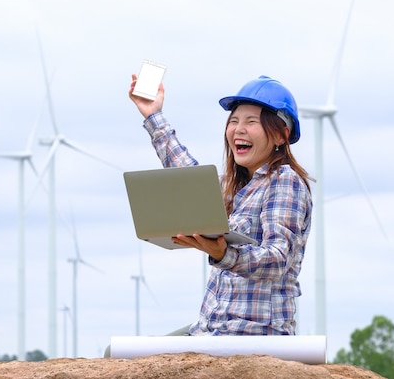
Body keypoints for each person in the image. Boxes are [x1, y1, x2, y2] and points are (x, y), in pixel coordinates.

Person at [128, 74, 313, 337]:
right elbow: (188, 179)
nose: (238, 129)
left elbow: (277, 259)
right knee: (120, 355)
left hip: (253, 333)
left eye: (252, 122)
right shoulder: (232, 186)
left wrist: (225, 254)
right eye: (234, 121)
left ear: (282, 135)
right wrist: (153, 115)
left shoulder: (284, 182)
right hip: (211, 329)